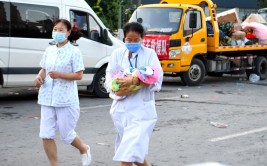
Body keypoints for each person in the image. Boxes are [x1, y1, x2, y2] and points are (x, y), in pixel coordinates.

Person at [105, 22, 163, 166]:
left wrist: (136, 81)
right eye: (128, 40)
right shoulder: (117, 54)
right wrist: (115, 87)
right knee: (134, 154)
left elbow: (157, 78)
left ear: (142, 38)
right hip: (121, 110)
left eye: (136, 40)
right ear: (124, 38)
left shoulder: (149, 54)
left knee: (128, 154)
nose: (132, 43)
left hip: (141, 112)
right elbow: (109, 76)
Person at [34, 19, 91, 166]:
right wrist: (39, 77)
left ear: (68, 33)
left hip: (65, 99)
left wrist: (60, 75)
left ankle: (84, 148)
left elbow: (79, 75)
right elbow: (44, 69)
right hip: (47, 97)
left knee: (67, 135)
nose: (57, 32)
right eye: (55, 29)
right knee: (46, 134)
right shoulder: (49, 50)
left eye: (61, 30)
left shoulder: (74, 52)